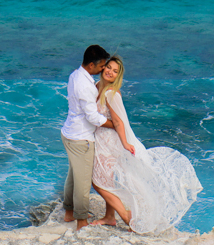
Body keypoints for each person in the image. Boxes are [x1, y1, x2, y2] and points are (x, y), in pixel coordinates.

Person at [90, 55, 202, 233]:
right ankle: (109, 217)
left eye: (115, 71)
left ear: (118, 76)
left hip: (110, 142)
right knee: (107, 180)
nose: (110, 72)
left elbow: (119, 122)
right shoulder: (97, 87)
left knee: (98, 182)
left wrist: (125, 143)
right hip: (100, 139)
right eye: (108, 67)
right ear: (103, 68)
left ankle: (126, 217)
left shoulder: (112, 93)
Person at [61, 44, 115, 229]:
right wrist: (113, 124)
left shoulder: (74, 75)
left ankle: (69, 212)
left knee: (73, 177)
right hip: (81, 138)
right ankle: (81, 222)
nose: (103, 69)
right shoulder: (85, 86)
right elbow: (93, 117)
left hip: (69, 133)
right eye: (102, 66)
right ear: (91, 65)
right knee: (83, 183)